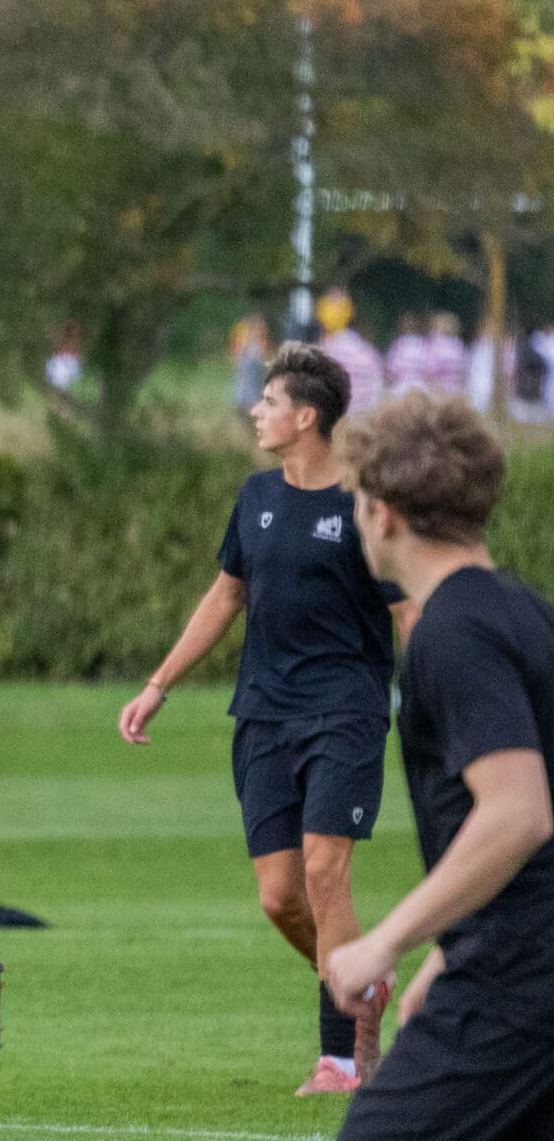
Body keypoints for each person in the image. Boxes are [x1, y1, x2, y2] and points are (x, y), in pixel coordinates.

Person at [290, 394, 554, 1141]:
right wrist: (452, 949)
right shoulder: (525, 613)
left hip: (517, 985)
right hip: (529, 968)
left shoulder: (452, 630)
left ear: (384, 513)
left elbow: (519, 811)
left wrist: (387, 942)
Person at [118, 342, 415, 1096]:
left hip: (345, 710)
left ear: (305, 416)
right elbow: (225, 597)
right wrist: (159, 683)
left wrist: (443, 693)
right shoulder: (255, 497)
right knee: (280, 896)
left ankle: (341, 1058)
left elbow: (409, 608)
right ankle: (363, 982)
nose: (256, 411)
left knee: (324, 873)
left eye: (269, 402)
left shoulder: (363, 503)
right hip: (262, 716)